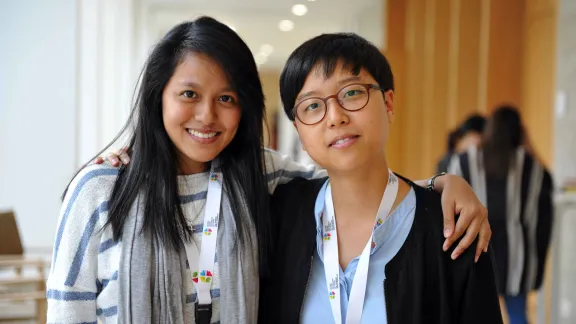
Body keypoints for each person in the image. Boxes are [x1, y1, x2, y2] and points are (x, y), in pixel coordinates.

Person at [50, 17, 489, 324]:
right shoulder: (100, 191)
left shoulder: (259, 178)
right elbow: (69, 312)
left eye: (227, 98)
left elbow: (350, 176)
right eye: (188, 94)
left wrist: (443, 186)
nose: (206, 116)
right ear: (157, 97)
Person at [259, 33, 502, 324]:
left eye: (351, 93)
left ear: (388, 103)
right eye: (312, 106)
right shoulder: (280, 217)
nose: (335, 117)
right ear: (298, 129)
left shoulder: (452, 232)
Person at [449, 106, 554, 324]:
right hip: (517, 257)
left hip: (474, 250)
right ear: (519, 132)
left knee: (475, 316)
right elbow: (548, 185)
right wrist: (529, 144)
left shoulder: (466, 160)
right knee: (517, 316)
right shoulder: (529, 165)